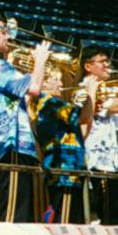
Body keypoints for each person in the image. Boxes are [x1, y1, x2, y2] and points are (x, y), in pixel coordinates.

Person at [0, 10, 50, 222]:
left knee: (20, 211)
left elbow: (24, 99)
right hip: (9, 143)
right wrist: (40, 60)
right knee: (14, 215)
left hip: (15, 143)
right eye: (3, 30)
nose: (8, 36)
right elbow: (33, 88)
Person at [77, 47, 118, 225]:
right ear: (88, 66)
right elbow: (114, 107)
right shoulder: (83, 90)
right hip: (101, 160)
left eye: (107, 61)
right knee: (107, 214)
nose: (107, 65)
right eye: (102, 61)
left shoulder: (116, 87)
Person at [31, 67, 93, 224]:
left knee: (69, 216)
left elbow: (83, 125)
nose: (61, 83)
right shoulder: (49, 103)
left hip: (71, 167)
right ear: (44, 83)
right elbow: (81, 118)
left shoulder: (56, 104)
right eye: (56, 79)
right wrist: (91, 92)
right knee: (64, 220)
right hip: (64, 170)